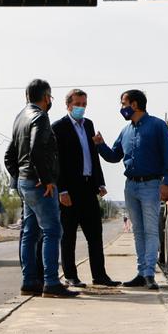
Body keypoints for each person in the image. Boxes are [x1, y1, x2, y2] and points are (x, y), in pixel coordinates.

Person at [96, 89, 168, 290]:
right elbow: (115, 156)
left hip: (151, 185)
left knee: (150, 231)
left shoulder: (157, 126)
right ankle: (141, 272)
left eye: (123, 104)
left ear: (134, 104)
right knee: (138, 231)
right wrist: (100, 145)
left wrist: (166, 183)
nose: (121, 108)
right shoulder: (126, 131)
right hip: (130, 186)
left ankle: (149, 273)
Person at [5, 78, 78, 298]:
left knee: (30, 232)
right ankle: (51, 283)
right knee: (52, 231)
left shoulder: (20, 118)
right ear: (46, 97)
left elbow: (9, 156)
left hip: (25, 183)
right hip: (39, 185)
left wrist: (21, 177)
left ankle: (29, 282)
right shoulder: (40, 117)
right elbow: (37, 148)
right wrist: (45, 178)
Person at [52, 89, 119, 288]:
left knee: (95, 234)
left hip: (89, 187)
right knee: (69, 235)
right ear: (68, 105)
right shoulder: (58, 127)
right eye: (77, 104)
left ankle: (100, 276)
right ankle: (71, 275)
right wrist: (62, 190)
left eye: (84, 104)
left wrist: (100, 182)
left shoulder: (88, 125)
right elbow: (58, 163)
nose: (81, 108)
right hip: (70, 191)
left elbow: (93, 155)